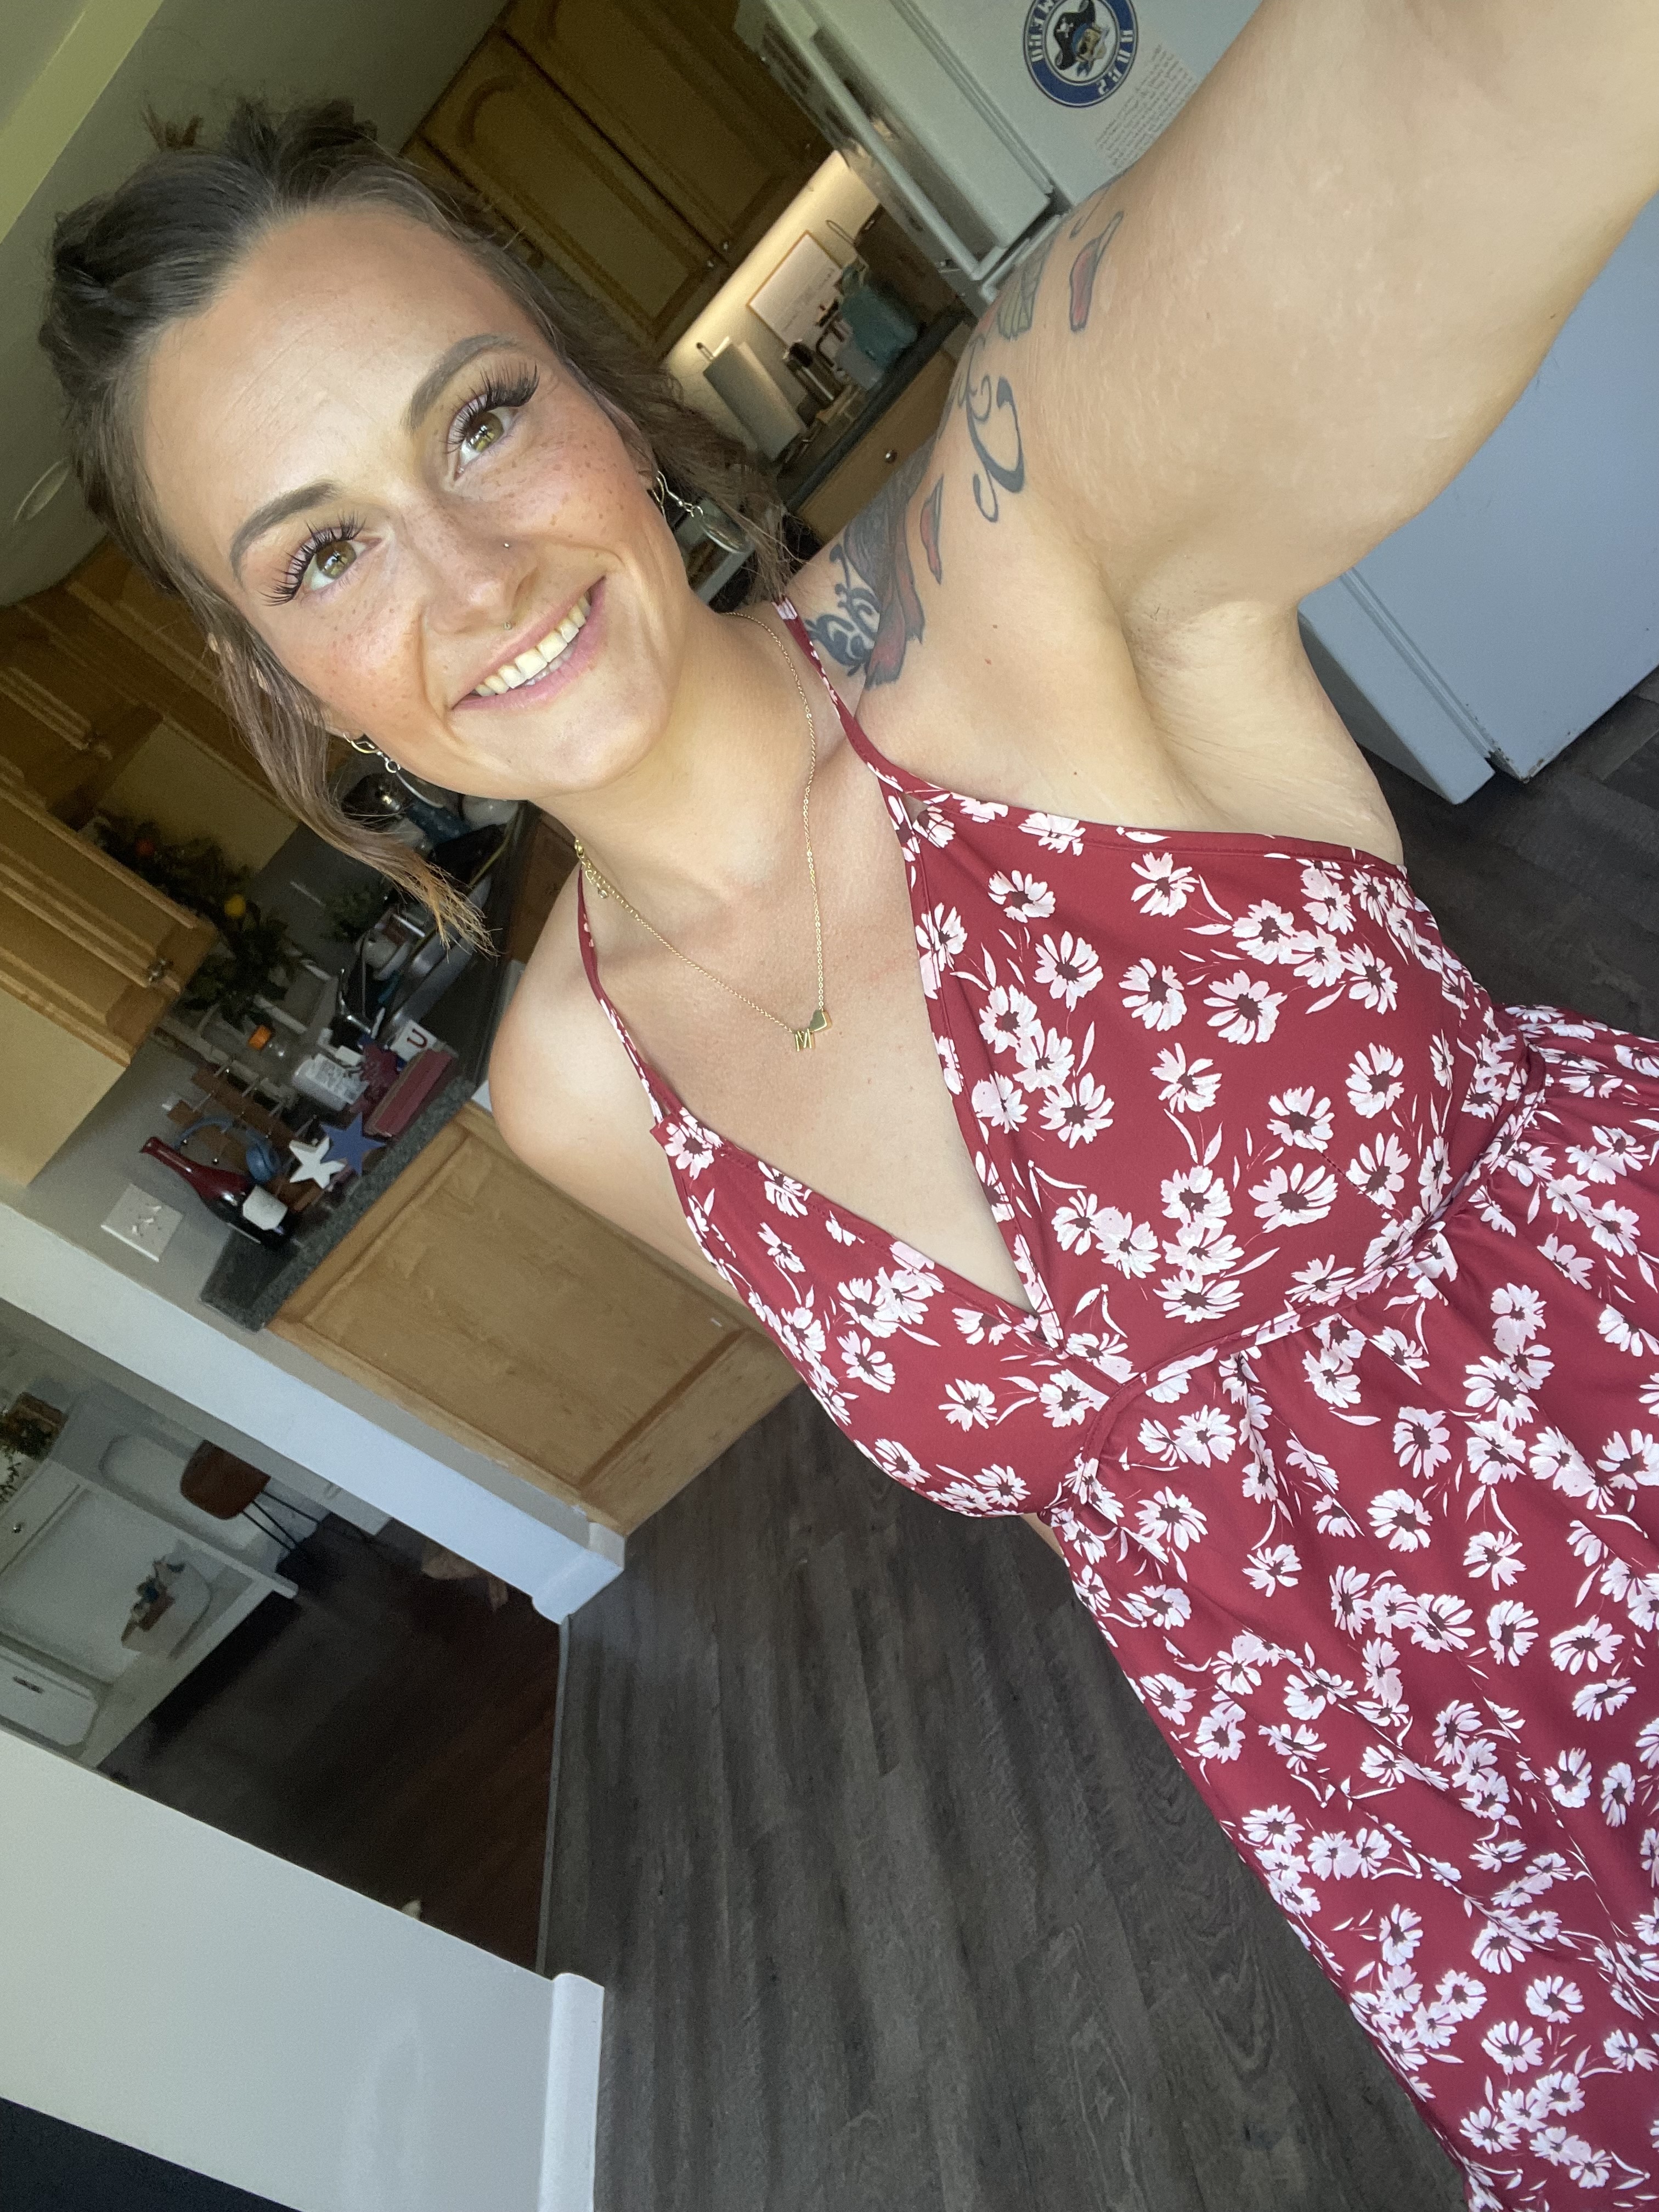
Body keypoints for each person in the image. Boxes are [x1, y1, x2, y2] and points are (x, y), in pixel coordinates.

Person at [37, 4, 1659, 2200]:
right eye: (320, 555)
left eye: (483, 417)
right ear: (275, 681)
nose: (474, 577)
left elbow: (1475, 56)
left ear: (597, 395)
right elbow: (1107, 1467)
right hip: (1409, 1844)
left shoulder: (1008, 577)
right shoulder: (573, 1090)